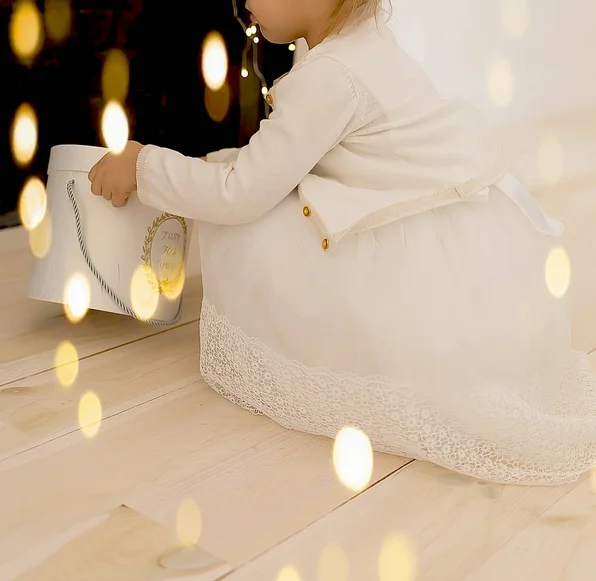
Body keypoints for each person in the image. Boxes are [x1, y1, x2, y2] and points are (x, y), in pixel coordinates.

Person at [88, 0, 596, 485]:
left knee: (251, 230)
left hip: (402, 253)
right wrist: (208, 165)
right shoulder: (361, 41)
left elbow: (241, 195)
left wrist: (145, 164)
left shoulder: (330, 78)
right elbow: (277, 160)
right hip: (450, 232)